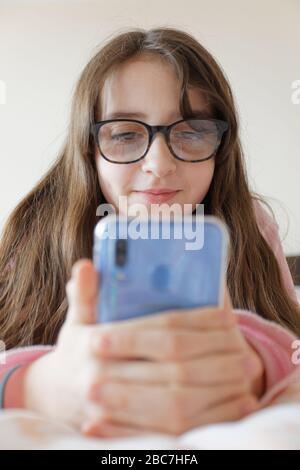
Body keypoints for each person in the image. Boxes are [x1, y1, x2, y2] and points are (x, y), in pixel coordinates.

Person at [0, 27, 299, 438]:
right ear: (89, 149)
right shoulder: (34, 229)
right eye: (124, 134)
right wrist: (36, 386)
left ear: (221, 146)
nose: (159, 164)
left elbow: (291, 338)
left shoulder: (250, 223)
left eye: (192, 132)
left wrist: (255, 361)